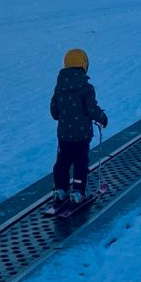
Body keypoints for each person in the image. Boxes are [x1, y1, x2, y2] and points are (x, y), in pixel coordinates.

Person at [50, 48, 108, 208]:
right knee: (80, 162)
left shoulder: (59, 88)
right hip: (82, 135)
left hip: (64, 135)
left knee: (62, 162)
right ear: (84, 65)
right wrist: (102, 117)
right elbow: (91, 109)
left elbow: (54, 112)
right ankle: (77, 191)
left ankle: (60, 189)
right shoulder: (86, 87)